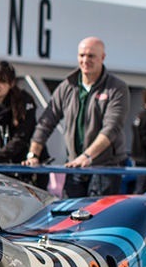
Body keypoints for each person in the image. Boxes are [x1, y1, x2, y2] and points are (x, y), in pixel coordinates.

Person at [22, 36, 130, 197]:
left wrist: (87, 156)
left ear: (103, 57)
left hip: (106, 168)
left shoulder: (117, 88)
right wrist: (33, 154)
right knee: (71, 216)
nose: (85, 60)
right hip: (75, 166)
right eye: (81, 55)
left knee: (98, 218)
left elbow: (111, 128)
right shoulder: (67, 86)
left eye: (91, 56)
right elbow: (46, 121)